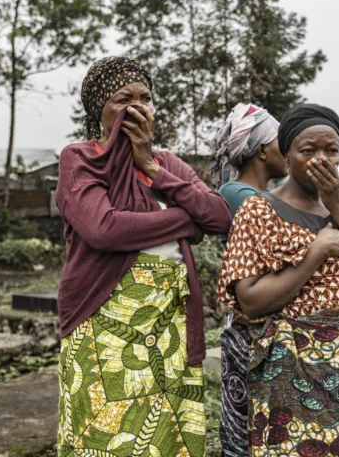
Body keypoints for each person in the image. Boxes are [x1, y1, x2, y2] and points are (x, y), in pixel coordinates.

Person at [55, 57, 232, 457]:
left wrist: (150, 166)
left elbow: (219, 216)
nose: (137, 109)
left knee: (166, 436)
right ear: (98, 110)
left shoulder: (167, 164)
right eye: (122, 100)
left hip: (169, 325)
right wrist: (186, 222)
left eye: (145, 98)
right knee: (108, 436)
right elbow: (103, 228)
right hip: (103, 322)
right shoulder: (81, 159)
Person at [217, 103, 339, 455]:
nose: (321, 159)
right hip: (288, 370)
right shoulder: (259, 210)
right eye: (308, 150)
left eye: (330, 150)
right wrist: (315, 253)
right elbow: (251, 299)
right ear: (287, 157)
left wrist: (336, 207)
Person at [212, 103, 288, 457]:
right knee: (248, 437)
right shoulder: (240, 195)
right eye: (280, 142)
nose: (286, 150)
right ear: (261, 150)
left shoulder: (259, 196)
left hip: (264, 324)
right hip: (253, 330)